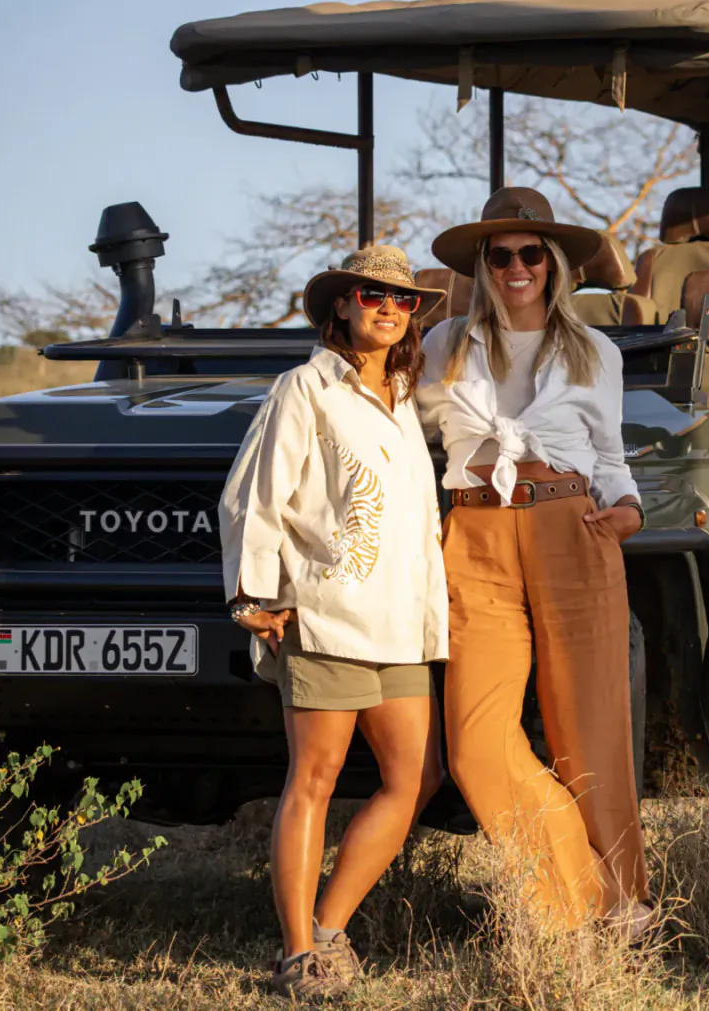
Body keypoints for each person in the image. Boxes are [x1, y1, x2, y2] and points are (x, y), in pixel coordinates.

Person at [417, 187, 654, 933]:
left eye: (530, 253)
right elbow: (405, 437)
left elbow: (610, 457)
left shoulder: (596, 351)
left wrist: (630, 510)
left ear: (552, 265)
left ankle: (618, 903)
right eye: (500, 254)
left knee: (591, 732)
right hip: (476, 534)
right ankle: (590, 891)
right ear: (483, 266)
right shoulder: (442, 344)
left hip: (571, 528)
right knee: (477, 744)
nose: (516, 266)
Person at [219, 245, 449, 998]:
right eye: (371, 293)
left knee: (414, 778)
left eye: (402, 298)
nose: (388, 306)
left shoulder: (406, 399)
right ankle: (296, 956)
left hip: (402, 621)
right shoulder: (305, 389)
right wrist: (254, 592)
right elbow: (254, 493)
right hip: (326, 613)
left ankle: (326, 927)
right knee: (313, 778)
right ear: (341, 305)